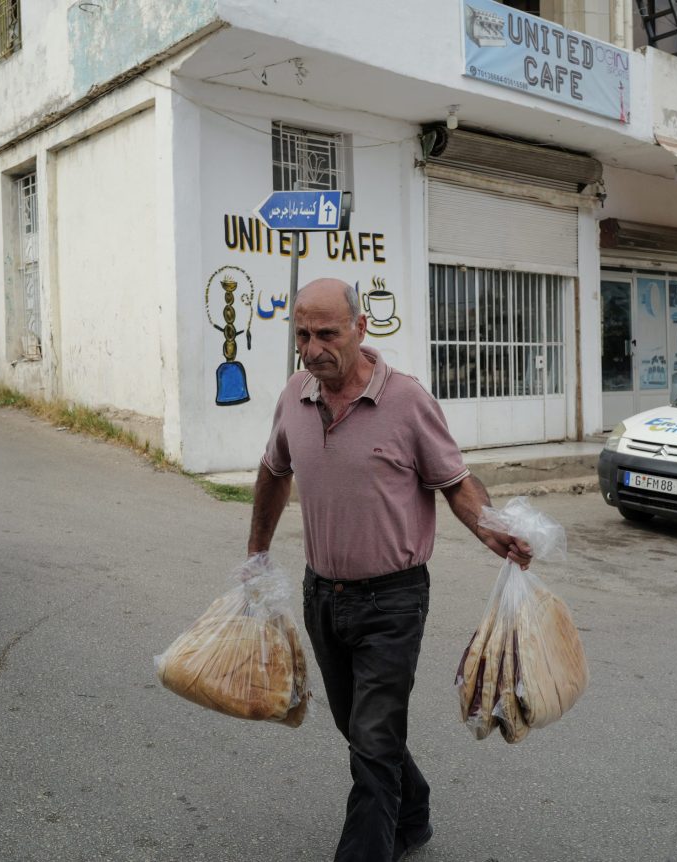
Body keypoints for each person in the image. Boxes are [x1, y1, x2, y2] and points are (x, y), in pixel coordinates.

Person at [247, 278, 531, 862]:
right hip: (321, 593)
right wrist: (256, 556)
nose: (311, 347)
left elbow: (454, 481)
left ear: (360, 328)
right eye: (302, 334)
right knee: (358, 728)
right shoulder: (293, 397)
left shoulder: (405, 400)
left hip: (393, 600)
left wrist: (489, 527)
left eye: (326, 333)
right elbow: (274, 471)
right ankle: (414, 810)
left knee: (373, 739)